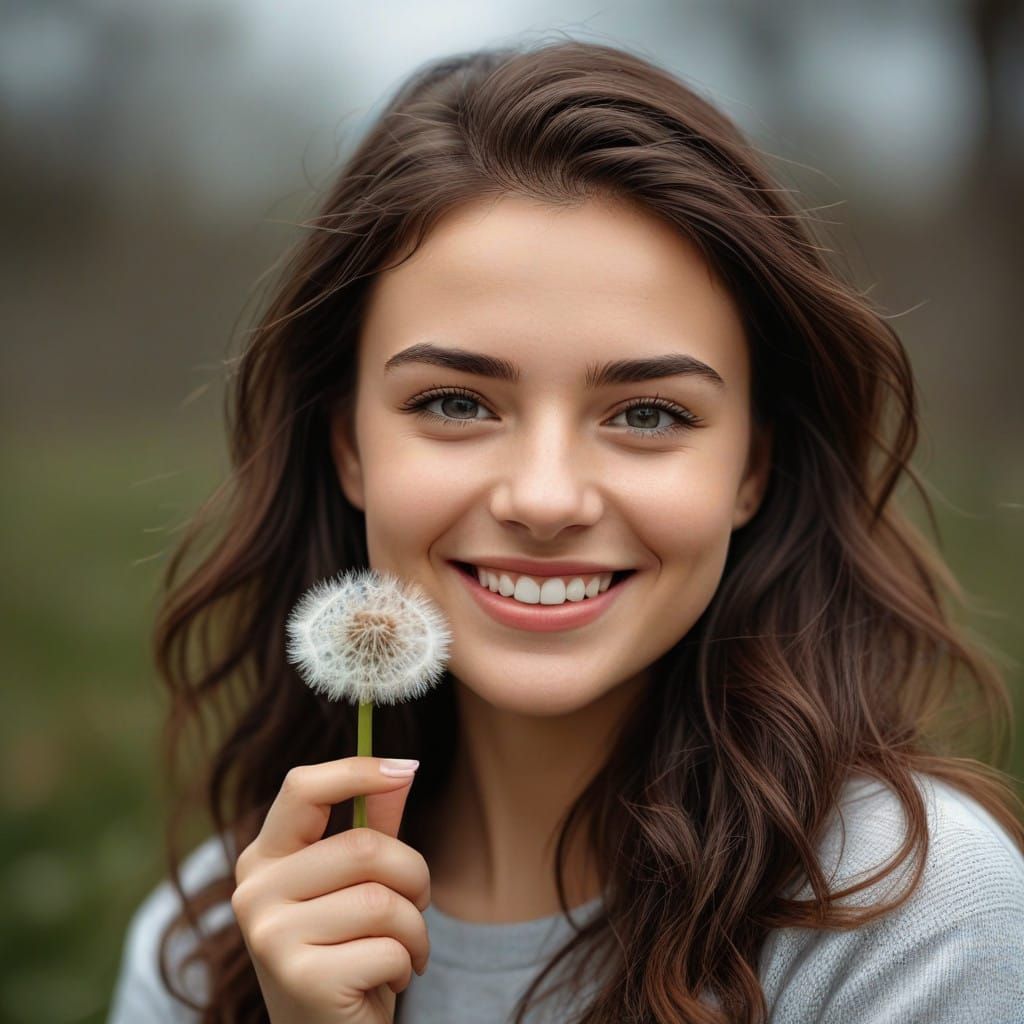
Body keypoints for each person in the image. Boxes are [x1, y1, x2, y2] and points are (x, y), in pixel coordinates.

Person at [107, 38, 1024, 1024]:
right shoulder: (212, 942)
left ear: (751, 468)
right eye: (457, 402)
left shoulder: (911, 912)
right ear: (350, 447)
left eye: (646, 413)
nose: (544, 500)